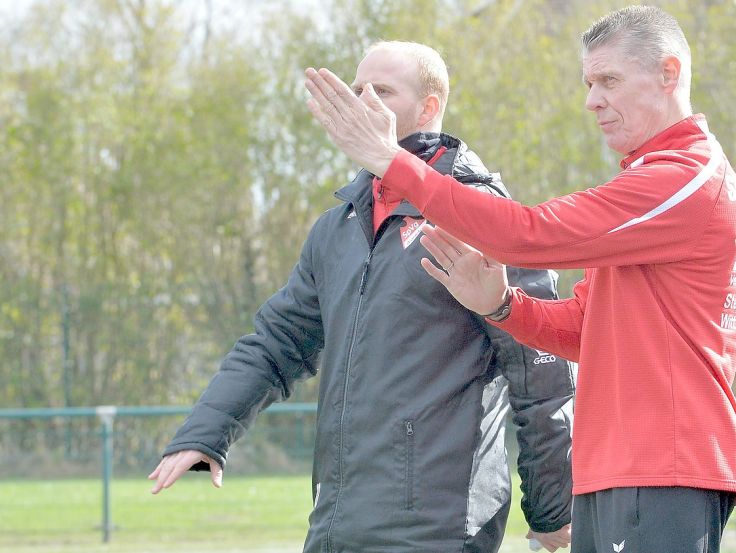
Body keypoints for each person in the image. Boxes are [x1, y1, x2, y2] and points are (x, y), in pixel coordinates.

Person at [303, 6, 736, 553]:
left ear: (669, 73)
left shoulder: (684, 179)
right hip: (618, 469)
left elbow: (527, 234)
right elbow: (584, 330)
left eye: (609, 80)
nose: (592, 100)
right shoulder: (646, 183)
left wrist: (391, 160)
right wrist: (501, 306)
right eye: (589, 82)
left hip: (663, 464)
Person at [150, 41, 576, 553]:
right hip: (335, 527)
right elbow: (275, 343)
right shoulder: (337, 227)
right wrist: (205, 433)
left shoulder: (483, 215)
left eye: (381, 91)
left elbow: (543, 379)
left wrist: (554, 509)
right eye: (355, 91)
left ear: (429, 107)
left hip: (437, 532)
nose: (360, 103)